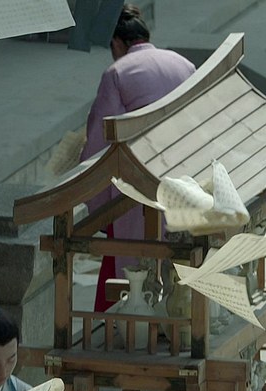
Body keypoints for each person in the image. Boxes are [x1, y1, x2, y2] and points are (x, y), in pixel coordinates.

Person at [79, 4, 196, 312]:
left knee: (133, 269)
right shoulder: (183, 64)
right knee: (178, 267)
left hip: (138, 184)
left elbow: (100, 139)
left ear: (117, 43)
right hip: (186, 177)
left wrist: (95, 204)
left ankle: (133, 324)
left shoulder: (117, 73)